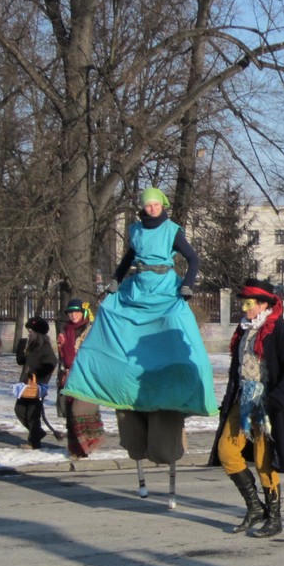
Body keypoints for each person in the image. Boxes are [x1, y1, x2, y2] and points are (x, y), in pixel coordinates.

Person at [64, 187, 216, 495]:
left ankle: (190, 377)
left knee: (177, 324)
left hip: (164, 289)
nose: (151, 208)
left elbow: (194, 260)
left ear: (163, 205)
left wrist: (187, 285)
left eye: (156, 204)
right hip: (137, 289)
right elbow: (127, 260)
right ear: (143, 208)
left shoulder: (172, 230)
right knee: (109, 311)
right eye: (147, 205)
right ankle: (103, 375)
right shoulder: (134, 230)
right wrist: (115, 281)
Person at [209, 279, 284, 537]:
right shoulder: (242, 331)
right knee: (226, 451)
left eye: (248, 303)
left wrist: (279, 397)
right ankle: (254, 508)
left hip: (268, 406)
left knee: (265, 461)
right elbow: (236, 369)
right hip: (242, 403)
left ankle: (274, 518)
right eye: (243, 302)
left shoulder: (281, 332)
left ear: (263, 304)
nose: (244, 308)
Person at [56, 299, 105, 459]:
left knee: (81, 410)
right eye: (71, 312)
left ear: (83, 313)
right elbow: (63, 357)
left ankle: (90, 442)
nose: (73, 315)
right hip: (69, 376)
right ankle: (75, 450)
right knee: (70, 414)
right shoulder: (65, 331)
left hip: (86, 377)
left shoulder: (90, 330)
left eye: (76, 312)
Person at [14, 317, 57, 449]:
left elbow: (51, 363)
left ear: (38, 332)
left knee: (33, 414)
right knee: (19, 410)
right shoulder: (30, 345)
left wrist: (37, 374)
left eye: (31, 330)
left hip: (37, 386)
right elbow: (21, 361)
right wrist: (21, 347)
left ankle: (34, 442)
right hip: (25, 385)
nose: (29, 332)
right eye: (28, 330)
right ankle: (37, 433)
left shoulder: (45, 346)